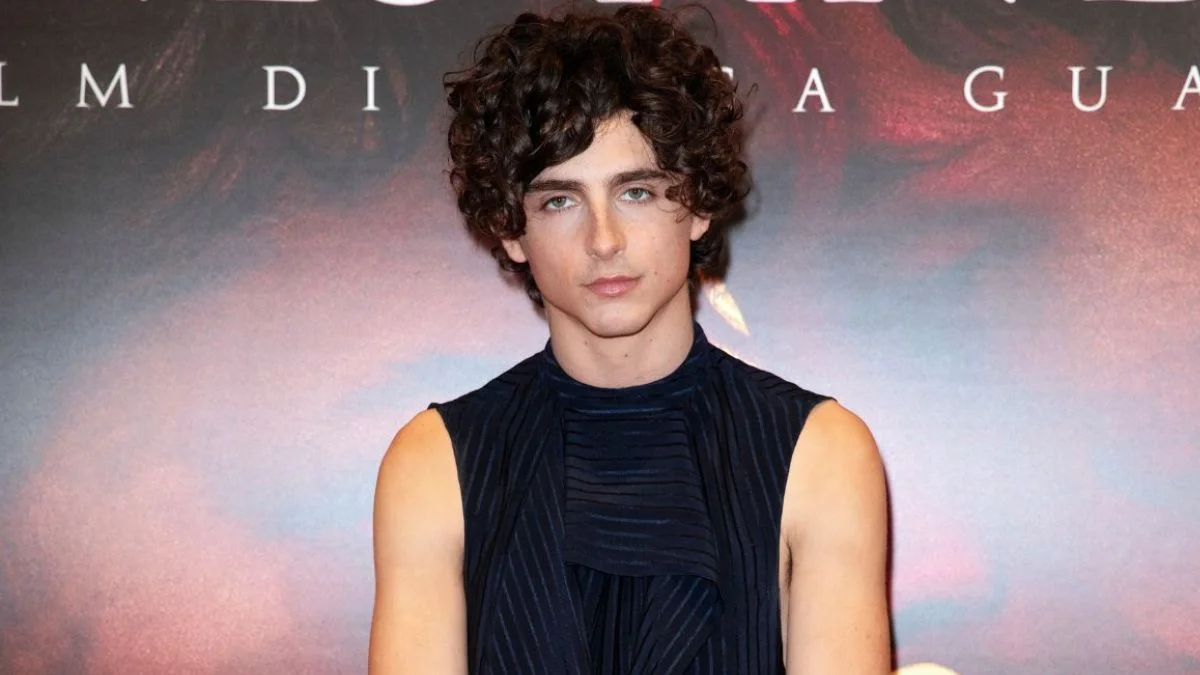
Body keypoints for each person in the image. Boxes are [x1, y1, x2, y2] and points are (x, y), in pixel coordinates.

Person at [368, 6, 890, 674]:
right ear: (511, 229)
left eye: (636, 192)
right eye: (559, 201)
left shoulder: (820, 452)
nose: (604, 239)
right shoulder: (435, 463)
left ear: (697, 204)